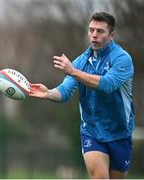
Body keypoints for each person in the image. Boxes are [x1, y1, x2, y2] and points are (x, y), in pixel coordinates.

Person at [29, 11, 134, 179]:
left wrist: (73, 71)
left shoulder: (122, 59)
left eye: (100, 31)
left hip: (119, 132)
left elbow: (107, 85)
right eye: (91, 30)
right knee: (100, 178)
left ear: (112, 35)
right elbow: (64, 91)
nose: (94, 35)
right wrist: (48, 93)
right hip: (91, 130)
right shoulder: (80, 62)